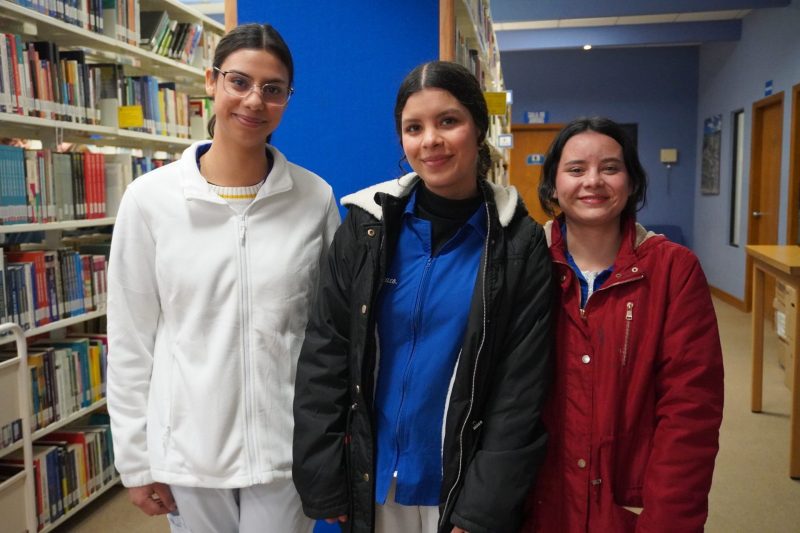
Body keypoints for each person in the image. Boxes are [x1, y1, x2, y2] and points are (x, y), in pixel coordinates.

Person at [292, 60, 553, 533]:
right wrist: (323, 472)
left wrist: (483, 509)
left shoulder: (519, 243)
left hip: (458, 484)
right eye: (414, 128)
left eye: (448, 121)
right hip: (373, 480)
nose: (430, 140)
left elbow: (520, 389)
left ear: (478, 128)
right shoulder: (365, 227)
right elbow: (325, 352)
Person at [106, 23, 340, 533]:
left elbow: (331, 335)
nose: (254, 100)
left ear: (287, 99)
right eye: (239, 81)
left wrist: (331, 444)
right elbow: (130, 340)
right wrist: (135, 460)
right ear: (211, 81)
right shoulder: (150, 201)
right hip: (189, 452)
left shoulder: (314, 199)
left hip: (286, 451)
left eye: (273, 89)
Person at [522, 117, 725, 532]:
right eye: (576, 169)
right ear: (553, 185)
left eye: (610, 168)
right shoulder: (521, 265)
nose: (593, 181)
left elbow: (690, 412)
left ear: (632, 183)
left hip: (628, 508)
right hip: (536, 506)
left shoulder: (674, 271)